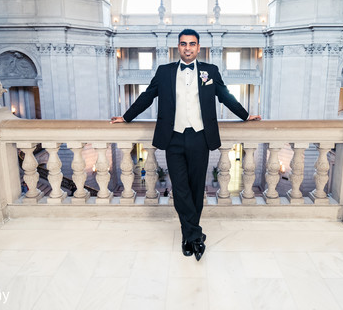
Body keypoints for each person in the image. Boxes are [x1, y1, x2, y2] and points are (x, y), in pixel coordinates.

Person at [111, 28, 261, 261]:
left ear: (198, 47)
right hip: (174, 137)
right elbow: (146, 96)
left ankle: (187, 236)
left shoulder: (210, 71)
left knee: (195, 188)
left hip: (200, 137)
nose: (188, 48)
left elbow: (225, 95)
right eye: (183, 44)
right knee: (180, 189)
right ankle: (195, 235)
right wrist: (126, 117)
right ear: (178, 47)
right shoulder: (164, 72)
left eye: (192, 44)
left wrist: (245, 115)